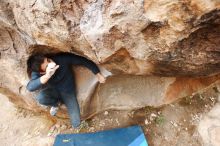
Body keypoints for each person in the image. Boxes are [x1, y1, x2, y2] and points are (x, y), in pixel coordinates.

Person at [26, 52, 106, 128]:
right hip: (54, 91)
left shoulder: (61, 59)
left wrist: (98, 74)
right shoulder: (39, 73)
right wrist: (47, 76)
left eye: (48, 60)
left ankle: (77, 127)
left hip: (68, 92)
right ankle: (56, 104)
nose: (51, 64)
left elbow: (83, 61)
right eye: (46, 67)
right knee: (41, 98)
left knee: (76, 121)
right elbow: (30, 87)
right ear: (42, 72)